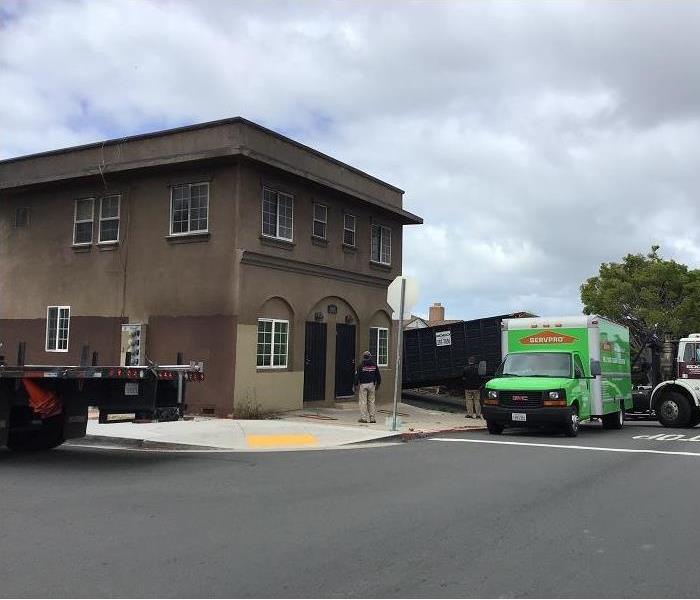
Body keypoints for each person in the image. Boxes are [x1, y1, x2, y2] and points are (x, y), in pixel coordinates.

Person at [355, 350, 381, 423]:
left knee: (363, 402)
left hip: (363, 385)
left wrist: (355, 385)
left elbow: (357, 376)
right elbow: (378, 376)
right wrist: (378, 384)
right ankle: (372, 418)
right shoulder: (374, 365)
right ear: (370, 357)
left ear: (363, 357)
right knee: (371, 402)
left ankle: (364, 418)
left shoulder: (360, 366)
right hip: (372, 385)